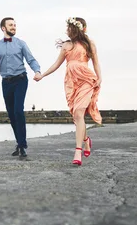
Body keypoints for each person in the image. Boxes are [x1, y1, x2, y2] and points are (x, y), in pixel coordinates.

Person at [34, 17, 102, 166]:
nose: (67, 30)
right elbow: (56, 64)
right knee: (76, 115)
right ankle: (85, 141)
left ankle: (77, 151)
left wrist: (99, 78)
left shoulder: (89, 43)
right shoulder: (66, 45)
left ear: (77, 28)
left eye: (69, 28)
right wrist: (42, 75)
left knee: (79, 112)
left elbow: (96, 62)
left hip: (86, 79)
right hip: (71, 82)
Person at [0, 17, 42, 158]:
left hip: (21, 80)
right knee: (12, 114)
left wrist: (37, 71)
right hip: (6, 82)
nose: (14, 27)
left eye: (15, 25)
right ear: (3, 28)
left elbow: (31, 59)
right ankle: (19, 143)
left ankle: (22, 145)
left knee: (18, 111)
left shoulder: (21, 44)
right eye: (11, 25)